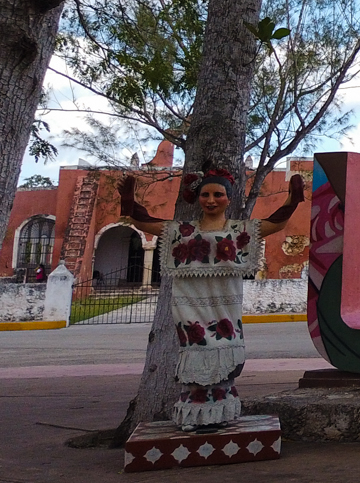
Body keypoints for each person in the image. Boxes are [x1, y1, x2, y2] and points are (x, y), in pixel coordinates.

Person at [119, 170, 303, 431]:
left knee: (224, 360)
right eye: (205, 194)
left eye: (218, 194)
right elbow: (145, 222)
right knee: (197, 358)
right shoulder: (182, 231)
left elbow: (276, 222)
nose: (211, 200)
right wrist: (128, 201)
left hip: (225, 311)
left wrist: (293, 199)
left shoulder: (240, 232)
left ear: (228, 198)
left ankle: (220, 413)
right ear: (197, 198)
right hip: (189, 308)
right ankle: (196, 417)